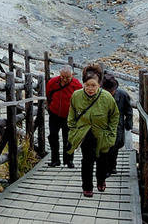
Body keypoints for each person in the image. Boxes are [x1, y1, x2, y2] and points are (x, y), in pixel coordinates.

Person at [67, 63, 119, 197]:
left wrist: (111, 134)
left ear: (99, 84)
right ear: (83, 83)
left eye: (93, 85)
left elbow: (114, 116)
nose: (90, 88)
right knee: (87, 160)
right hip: (84, 133)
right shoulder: (76, 96)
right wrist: (73, 130)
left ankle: (101, 180)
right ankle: (87, 186)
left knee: (102, 159)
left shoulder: (107, 98)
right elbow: (71, 114)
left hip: (102, 133)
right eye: (87, 85)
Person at [45, 65, 82, 167]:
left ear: (72, 75)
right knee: (53, 137)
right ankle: (55, 160)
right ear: (59, 75)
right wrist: (50, 108)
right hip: (54, 113)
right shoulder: (52, 82)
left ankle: (69, 160)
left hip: (69, 116)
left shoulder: (77, 85)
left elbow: (80, 101)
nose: (65, 79)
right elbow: (48, 95)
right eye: (63, 77)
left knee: (69, 138)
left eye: (67, 77)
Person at [101, 73, 133, 177]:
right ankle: (105, 168)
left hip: (118, 125)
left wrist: (129, 123)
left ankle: (112, 166)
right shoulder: (99, 95)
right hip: (103, 125)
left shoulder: (123, 95)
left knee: (115, 147)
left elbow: (129, 110)